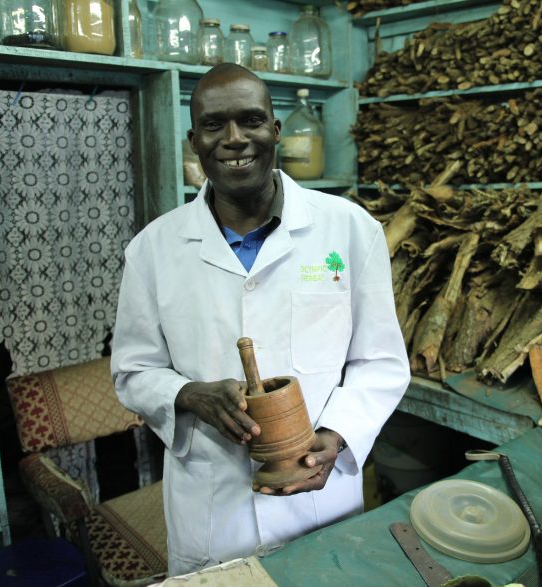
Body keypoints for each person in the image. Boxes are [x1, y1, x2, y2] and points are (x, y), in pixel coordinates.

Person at [110, 63, 410, 576]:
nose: (233, 139)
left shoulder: (350, 230)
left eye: (250, 120)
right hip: (213, 508)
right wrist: (188, 395)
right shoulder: (153, 250)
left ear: (275, 130)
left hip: (321, 499)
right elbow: (133, 371)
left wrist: (335, 436)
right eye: (213, 125)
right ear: (194, 139)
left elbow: (380, 361)